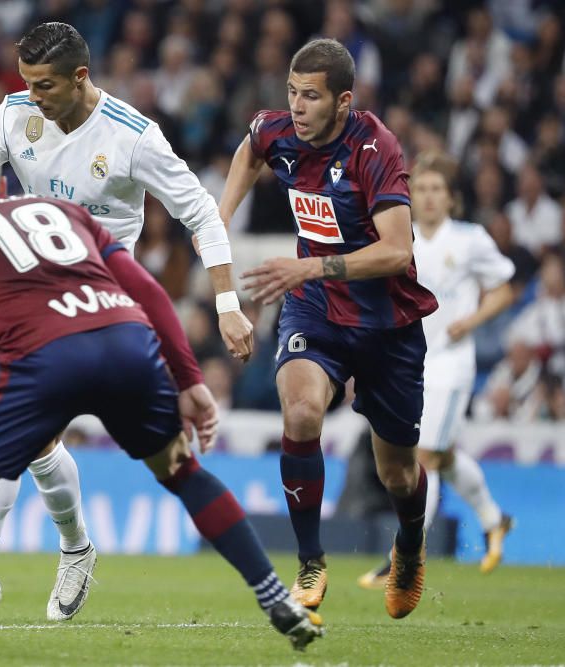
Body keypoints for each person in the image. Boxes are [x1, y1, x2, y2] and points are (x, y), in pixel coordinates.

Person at [0, 134, 323, 654]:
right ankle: (276, 599)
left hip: (43, 356)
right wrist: (189, 379)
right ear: (2, 184)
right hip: (126, 341)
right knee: (184, 473)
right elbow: (146, 290)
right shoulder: (60, 210)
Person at [0, 22, 253, 621]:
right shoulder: (16, 114)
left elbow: (201, 213)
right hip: (28, 282)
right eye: (26, 82)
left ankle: (22, 557)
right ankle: (32, 558)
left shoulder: (133, 138)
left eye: (44, 85)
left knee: (25, 426)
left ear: (80, 77)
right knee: (17, 432)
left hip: (102, 292)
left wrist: (226, 305)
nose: (32, 95)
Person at [218, 38, 438, 619]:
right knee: (301, 413)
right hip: (315, 306)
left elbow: (396, 251)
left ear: (343, 101)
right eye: (291, 92)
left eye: (310, 96)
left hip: (388, 323)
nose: (296, 106)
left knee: (396, 470)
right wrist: (218, 219)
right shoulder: (279, 131)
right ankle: (311, 561)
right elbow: (250, 148)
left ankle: (409, 545)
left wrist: (310, 263)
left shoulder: (376, 148)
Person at [357, 151, 516, 589]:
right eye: (420, 189)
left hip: (450, 361)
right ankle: (494, 518)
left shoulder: (470, 239)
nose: (427, 198)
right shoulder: (398, 239)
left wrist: (473, 321)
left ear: (451, 198)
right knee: (440, 456)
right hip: (409, 360)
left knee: (420, 455)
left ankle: (405, 556)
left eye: (436, 190)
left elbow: (504, 288)